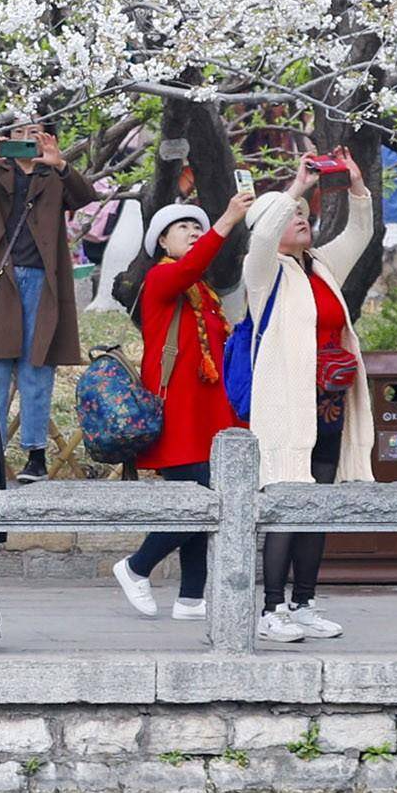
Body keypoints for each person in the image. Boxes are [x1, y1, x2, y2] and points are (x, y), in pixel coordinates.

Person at [241, 157, 378, 642]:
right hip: (287, 404)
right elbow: (259, 238)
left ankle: (304, 603)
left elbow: (360, 235)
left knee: (316, 504)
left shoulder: (320, 267)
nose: (301, 216)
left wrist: (356, 186)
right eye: (290, 214)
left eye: (304, 211)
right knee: (287, 499)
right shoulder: (263, 272)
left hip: (329, 401)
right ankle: (270, 608)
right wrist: (295, 187)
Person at [112, 189, 253, 621]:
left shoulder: (201, 290)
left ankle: (192, 598)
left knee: (204, 501)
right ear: (161, 243)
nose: (194, 233)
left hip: (207, 413)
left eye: (197, 226)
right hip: (179, 413)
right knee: (197, 504)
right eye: (183, 228)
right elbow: (195, 262)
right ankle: (136, 567)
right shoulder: (161, 278)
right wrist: (225, 220)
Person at [0, 120, 96, 479]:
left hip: (42, 278)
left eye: (34, 131)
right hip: (0, 279)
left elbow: (85, 197)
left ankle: (35, 453)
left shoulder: (53, 174)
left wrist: (60, 163)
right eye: (18, 132)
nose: (25, 139)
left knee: (37, 365)